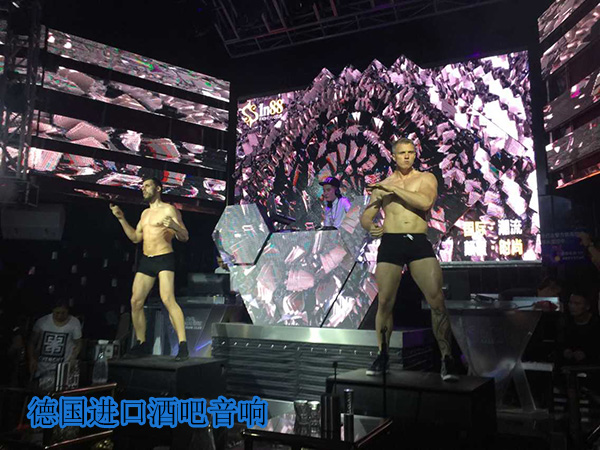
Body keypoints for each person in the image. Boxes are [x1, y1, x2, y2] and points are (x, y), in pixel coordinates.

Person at [360, 137, 458, 381]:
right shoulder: (383, 185)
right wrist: (370, 225)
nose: (407, 156)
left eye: (411, 152)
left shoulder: (425, 178)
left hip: (417, 240)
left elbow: (424, 202)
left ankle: (447, 358)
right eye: (402, 153)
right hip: (391, 242)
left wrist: (392, 189)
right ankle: (382, 354)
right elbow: (367, 215)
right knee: (385, 302)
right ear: (393, 156)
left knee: (437, 300)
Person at [110, 177, 190, 361]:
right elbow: (135, 238)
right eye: (142, 186)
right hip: (147, 260)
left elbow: (185, 236)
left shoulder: (169, 209)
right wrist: (121, 218)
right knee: (135, 301)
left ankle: (183, 345)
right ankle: (141, 343)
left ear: (158, 188)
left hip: (164, 258)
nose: (143, 189)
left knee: (167, 299)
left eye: (147, 186)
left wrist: (175, 226)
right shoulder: (145, 213)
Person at [28, 300, 82, 381]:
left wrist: (73, 358)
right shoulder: (42, 322)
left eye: (63, 313)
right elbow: (32, 342)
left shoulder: (74, 322)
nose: (60, 316)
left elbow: (78, 343)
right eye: (57, 313)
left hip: (63, 368)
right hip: (42, 368)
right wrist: (32, 359)